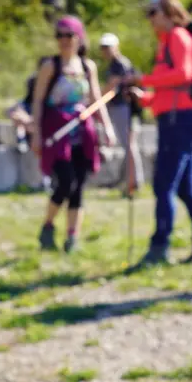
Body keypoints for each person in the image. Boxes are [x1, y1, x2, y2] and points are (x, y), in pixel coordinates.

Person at [123, 0, 192, 269]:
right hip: (175, 117)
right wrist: (146, 98)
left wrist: (143, 79)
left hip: (181, 121)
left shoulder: (178, 38)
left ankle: (159, 247)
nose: (150, 19)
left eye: (153, 13)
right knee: (185, 189)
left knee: (163, 185)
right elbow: (171, 88)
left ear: (169, 13)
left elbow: (184, 75)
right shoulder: (166, 44)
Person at [31, 15, 117, 253]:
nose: (64, 40)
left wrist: (107, 128)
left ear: (79, 38)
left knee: (78, 185)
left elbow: (96, 100)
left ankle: (72, 237)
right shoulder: (51, 67)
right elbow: (38, 101)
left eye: (69, 35)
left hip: (82, 132)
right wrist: (36, 132)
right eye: (59, 35)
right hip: (57, 132)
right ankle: (48, 226)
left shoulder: (88, 68)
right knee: (65, 181)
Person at [98, 33, 144, 196]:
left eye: (108, 47)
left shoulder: (119, 64)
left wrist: (96, 102)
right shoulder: (116, 64)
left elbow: (111, 87)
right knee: (129, 145)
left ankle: (133, 182)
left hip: (124, 108)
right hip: (122, 108)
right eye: (103, 47)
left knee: (129, 145)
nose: (105, 50)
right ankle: (129, 180)